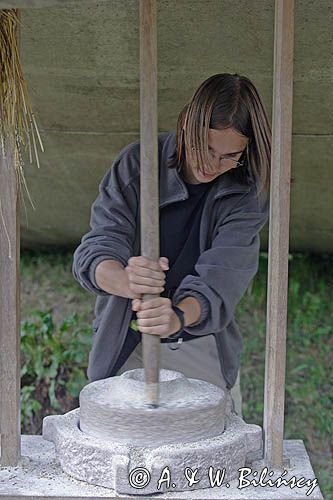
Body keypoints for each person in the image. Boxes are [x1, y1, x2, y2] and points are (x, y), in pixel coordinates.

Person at [72, 73, 271, 417]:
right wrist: (126, 280)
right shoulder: (138, 164)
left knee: (210, 448)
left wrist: (177, 316)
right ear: (186, 125)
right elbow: (98, 249)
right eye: (206, 148)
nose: (213, 165)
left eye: (229, 156)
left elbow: (223, 278)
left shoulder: (248, 191)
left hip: (199, 340)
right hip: (126, 338)